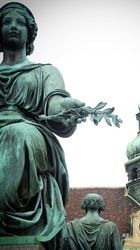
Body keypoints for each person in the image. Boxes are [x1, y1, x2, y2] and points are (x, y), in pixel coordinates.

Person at [0, 2, 86, 249]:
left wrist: (67, 107)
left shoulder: (45, 72)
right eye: (7, 22)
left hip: (30, 132)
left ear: (30, 32)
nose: (13, 26)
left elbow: (54, 104)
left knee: (17, 134)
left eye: (20, 23)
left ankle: (8, 216)